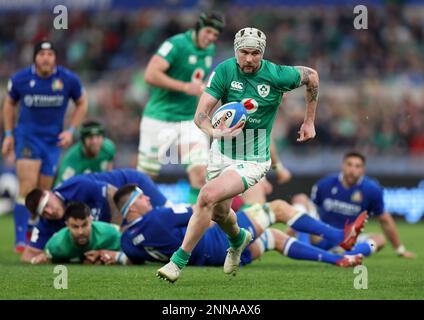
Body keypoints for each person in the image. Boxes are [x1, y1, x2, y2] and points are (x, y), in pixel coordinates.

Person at [155, 26, 333, 282]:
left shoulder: (278, 75)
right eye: (244, 52)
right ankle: (238, 239)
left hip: (253, 160)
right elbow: (201, 115)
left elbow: (312, 76)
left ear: (262, 53)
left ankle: (177, 262)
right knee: (218, 212)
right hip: (221, 153)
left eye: (254, 53)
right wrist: (216, 133)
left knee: (205, 197)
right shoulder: (225, 70)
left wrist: (309, 121)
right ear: (235, 50)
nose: (249, 59)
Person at [106, 184, 362, 273]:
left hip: (211, 261)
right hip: (219, 244)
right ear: (130, 208)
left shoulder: (128, 242)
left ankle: (338, 259)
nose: (148, 199)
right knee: (279, 208)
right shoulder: (159, 217)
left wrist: (112, 257)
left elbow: (132, 259)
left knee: (274, 238)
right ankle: (341, 236)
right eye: (141, 197)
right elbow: (201, 213)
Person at [1, 40, 88, 252]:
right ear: (35, 57)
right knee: (28, 187)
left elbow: (82, 102)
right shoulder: (21, 79)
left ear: (55, 58)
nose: (46, 58)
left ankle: (35, 234)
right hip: (28, 139)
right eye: (42, 54)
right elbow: (9, 103)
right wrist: (9, 135)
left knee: (44, 192)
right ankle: (20, 240)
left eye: (50, 54)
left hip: (52, 142)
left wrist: (70, 131)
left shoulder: (67, 79)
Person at [137, 12, 225, 204]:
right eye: (208, 32)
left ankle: (193, 226)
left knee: (201, 175)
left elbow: (199, 82)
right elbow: (150, 75)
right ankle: (134, 223)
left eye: (215, 35)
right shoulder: (175, 45)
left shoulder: (209, 50)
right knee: (145, 178)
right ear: (198, 28)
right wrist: (185, 87)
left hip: (188, 120)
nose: (210, 38)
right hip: (159, 118)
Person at [21, 168, 168, 263]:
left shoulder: (76, 186)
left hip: (130, 186)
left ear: (50, 193)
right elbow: (27, 256)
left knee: (162, 219)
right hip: (117, 209)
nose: (50, 212)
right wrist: (39, 260)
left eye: (47, 205)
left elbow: (112, 194)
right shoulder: (47, 221)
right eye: (43, 212)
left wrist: (118, 229)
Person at [290, 151, 416, 259]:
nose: (353, 170)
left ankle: (343, 255)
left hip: (349, 240)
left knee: (379, 240)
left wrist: (400, 249)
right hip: (321, 234)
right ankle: (304, 249)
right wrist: (290, 231)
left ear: (363, 170)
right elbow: (306, 214)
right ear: (343, 166)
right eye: (349, 165)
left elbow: (385, 220)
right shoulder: (326, 183)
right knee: (300, 199)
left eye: (357, 166)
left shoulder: (371, 189)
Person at [37, 202, 122, 264]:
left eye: (84, 225)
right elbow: (47, 263)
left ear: (91, 220)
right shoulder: (56, 245)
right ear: (67, 225)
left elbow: (131, 253)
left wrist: (102, 254)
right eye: (75, 227)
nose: (80, 232)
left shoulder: (110, 234)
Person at [54, 120, 116, 186]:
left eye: (98, 137)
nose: (95, 142)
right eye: (90, 137)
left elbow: (109, 176)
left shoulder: (108, 149)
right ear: (83, 140)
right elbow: (60, 189)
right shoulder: (71, 161)